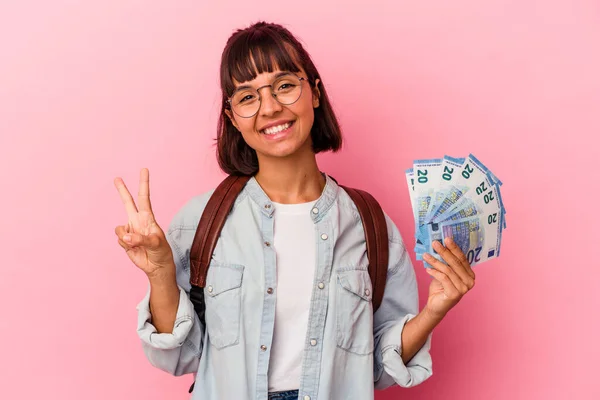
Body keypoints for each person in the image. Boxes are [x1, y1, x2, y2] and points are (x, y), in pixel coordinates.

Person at [114, 21, 476, 400]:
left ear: (314, 93)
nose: (269, 108)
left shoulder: (369, 224)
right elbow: (179, 355)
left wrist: (435, 310)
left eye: (285, 86)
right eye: (247, 97)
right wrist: (160, 273)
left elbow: (377, 365)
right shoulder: (201, 222)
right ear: (233, 116)